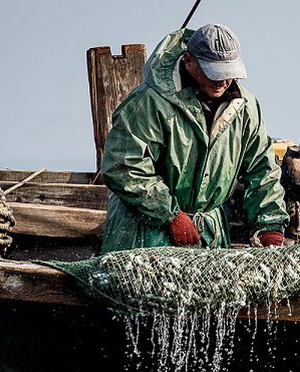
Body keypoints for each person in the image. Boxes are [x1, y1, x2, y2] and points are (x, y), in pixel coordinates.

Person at [100, 24, 288, 253]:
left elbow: (262, 170)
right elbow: (122, 165)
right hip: (144, 236)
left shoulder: (246, 108)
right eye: (214, 72)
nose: (223, 81)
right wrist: (170, 214)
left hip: (210, 236)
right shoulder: (149, 103)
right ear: (188, 61)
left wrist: (270, 226)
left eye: (229, 73)